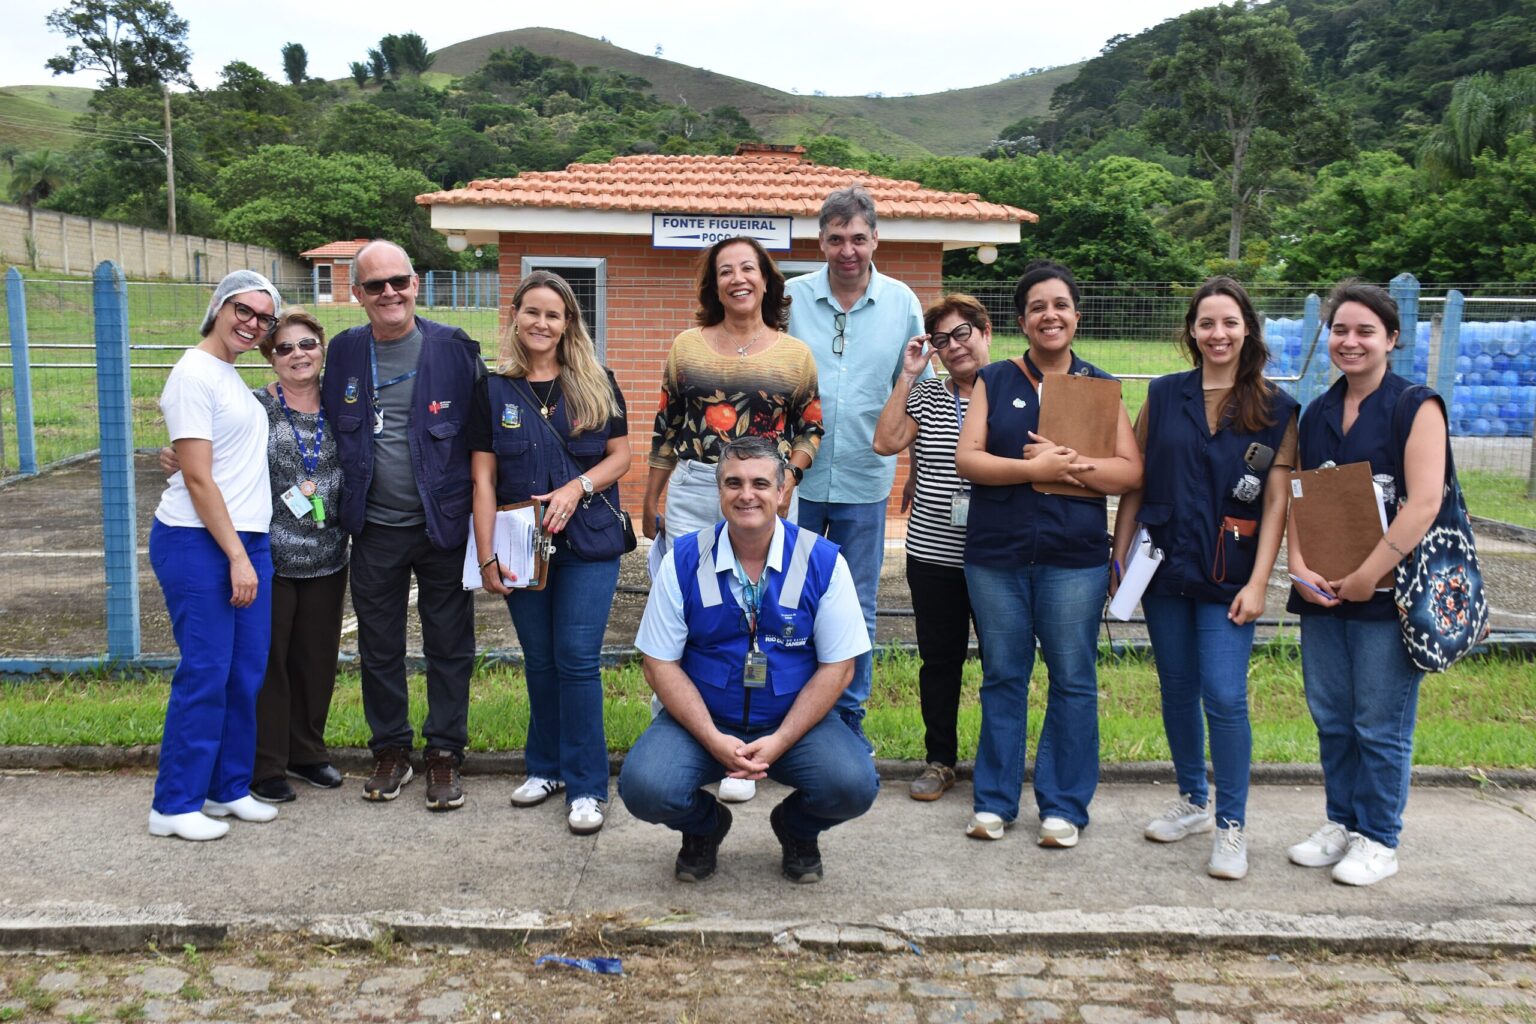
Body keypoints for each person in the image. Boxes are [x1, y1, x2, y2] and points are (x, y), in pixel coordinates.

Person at [619, 436, 878, 884]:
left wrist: (780, 740)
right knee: (645, 787)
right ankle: (705, 827)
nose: (746, 494)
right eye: (733, 483)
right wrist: (712, 738)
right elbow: (658, 663)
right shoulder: (681, 560)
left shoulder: (822, 561)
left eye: (761, 482)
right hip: (704, 723)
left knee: (853, 785)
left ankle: (796, 829)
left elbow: (840, 668)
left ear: (782, 492)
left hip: (793, 726)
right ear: (718, 491)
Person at [1111, 277, 1299, 880]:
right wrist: (1120, 563)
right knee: (1175, 687)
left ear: (1248, 329)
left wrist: (1260, 582)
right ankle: (1193, 799)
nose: (1218, 334)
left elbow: (1275, 502)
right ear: (1190, 332)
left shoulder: (1276, 409)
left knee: (1223, 694)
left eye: (1229, 322)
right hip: (1164, 564)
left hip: (1231, 573)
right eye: (1206, 323)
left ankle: (1231, 825)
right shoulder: (1164, 396)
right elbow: (1136, 481)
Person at [954, 260, 1142, 848]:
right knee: (1003, 675)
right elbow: (970, 460)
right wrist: (1033, 469)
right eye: (1037, 307)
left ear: (1076, 316)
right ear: (1021, 321)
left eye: (1059, 304)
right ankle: (994, 803)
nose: (1049, 315)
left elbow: (1131, 471)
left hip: (1074, 557)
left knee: (1073, 679)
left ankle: (1062, 807)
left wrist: (1075, 465)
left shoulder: (1098, 385)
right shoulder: (996, 380)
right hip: (996, 554)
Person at [644, 235, 824, 804]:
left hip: (762, 491)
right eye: (726, 271)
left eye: (749, 268)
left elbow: (811, 427)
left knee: (757, 608)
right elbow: (666, 427)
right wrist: (653, 498)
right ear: (713, 284)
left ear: (767, 280)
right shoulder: (686, 348)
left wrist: (788, 476)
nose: (738, 278)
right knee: (687, 616)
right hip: (697, 486)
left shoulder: (795, 354)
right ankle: (681, 739)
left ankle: (751, 742)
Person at [1285, 281, 1447, 887]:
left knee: (1380, 723)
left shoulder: (1415, 405)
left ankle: (1379, 838)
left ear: (1392, 339)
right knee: (1332, 716)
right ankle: (1342, 822)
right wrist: (1298, 567)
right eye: (1341, 330)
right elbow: (1302, 495)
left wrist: (1368, 575)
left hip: (1388, 596)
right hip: (1325, 594)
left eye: (1365, 331)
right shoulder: (1319, 411)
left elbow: (1425, 501)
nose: (1350, 342)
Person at [320, 239, 486, 811]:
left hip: (442, 524)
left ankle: (444, 753)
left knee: (449, 644)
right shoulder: (342, 352)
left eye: (399, 281)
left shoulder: (454, 349)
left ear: (417, 284)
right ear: (356, 294)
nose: (389, 293)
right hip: (373, 526)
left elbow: (484, 435)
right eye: (375, 285)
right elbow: (303, 405)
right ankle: (391, 750)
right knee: (379, 645)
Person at [161, 310, 352, 804]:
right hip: (268, 552)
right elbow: (204, 448)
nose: (297, 355)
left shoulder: (344, 403)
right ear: (269, 355)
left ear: (322, 348)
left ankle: (308, 753)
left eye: (307, 344)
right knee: (267, 664)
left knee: (315, 660)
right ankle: (265, 765)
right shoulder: (252, 407)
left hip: (329, 552)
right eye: (284, 347)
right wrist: (173, 454)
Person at [470, 271, 631, 835]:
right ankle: (546, 768)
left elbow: (620, 457)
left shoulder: (595, 380)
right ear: (514, 316)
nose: (542, 323)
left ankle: (587, 785)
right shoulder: (491, 390)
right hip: (522, 547)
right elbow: (484, 480)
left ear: (568, 324)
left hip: (588, 542)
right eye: (532, 312)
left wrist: (575, 488)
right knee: (538, 660)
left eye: (554, 315)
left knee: (577, 660)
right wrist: (487, 556)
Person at [785, 185, 926, 746]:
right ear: (820, 241)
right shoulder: (791, 298)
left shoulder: (902, 302)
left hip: (867, 481)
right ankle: (787, 719)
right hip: (793, 480)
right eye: (836, 238)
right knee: (788, 599)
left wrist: (919, 462)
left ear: (875, 240)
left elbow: (915, 391)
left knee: (857, 605)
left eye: (859, 238)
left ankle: (846, 723)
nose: (848, 250)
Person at [147, 270, 283, 841]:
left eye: (263, 317)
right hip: (200, 541)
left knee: (243, 674)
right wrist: (236, 556)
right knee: (205, 672)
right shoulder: (193, 373)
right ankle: (174, 804)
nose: (252, 323)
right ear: (219, 307)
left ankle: (226, 788)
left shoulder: (227, 374)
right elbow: (200, 481)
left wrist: (246, 549)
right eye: (243, 311)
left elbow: (216, 457)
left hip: (245, 539)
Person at [872, 294, 993, 801]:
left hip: (996, 558)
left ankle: (996, 764)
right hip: (933, 553)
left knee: (1002, 665)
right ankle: (940, 760)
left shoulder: (1013, 389)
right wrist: (909, 374)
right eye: (942, 340)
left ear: (986, 332)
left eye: (963, 333)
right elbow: (885, 441)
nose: (954, 347)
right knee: (939, 662)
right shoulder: (929, 396)